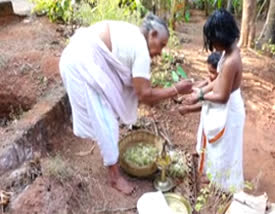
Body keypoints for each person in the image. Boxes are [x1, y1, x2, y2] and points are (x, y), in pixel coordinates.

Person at [59, 13, 192, 194]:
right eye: (161, 45)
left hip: (77, 57)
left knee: (106, 119)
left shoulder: (135, 37)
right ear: (152, 34)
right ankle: (115, 177)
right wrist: (176, 89)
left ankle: (113, 165)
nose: (160, 52)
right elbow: (144, 94)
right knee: (106, 122)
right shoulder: (141, 49)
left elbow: (141, 86)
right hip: (82, 64)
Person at [178, 9, 245, 192]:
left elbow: (222, 96)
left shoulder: (231, 61)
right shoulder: (228, 53)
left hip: (229, 108)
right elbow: (217, 82)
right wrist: (198, 91)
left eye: (212, 39)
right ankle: (216, 178)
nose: (212, 45)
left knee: (225, 152)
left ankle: (223, 187)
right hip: (228, 103)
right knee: (219, 149)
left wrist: (199, 96)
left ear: (220, 36)